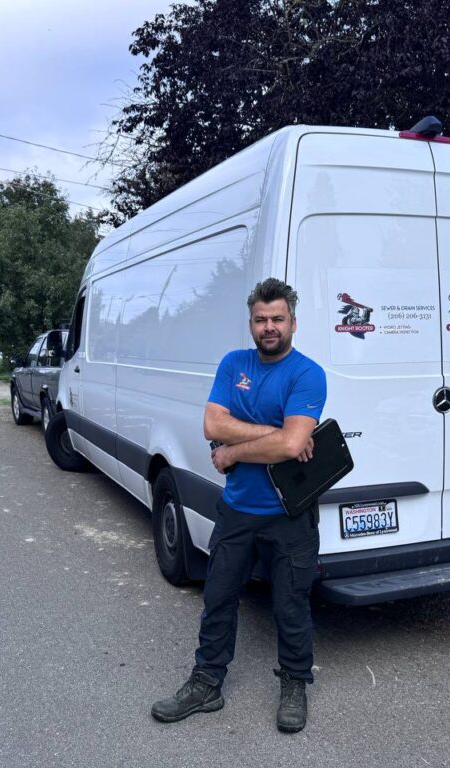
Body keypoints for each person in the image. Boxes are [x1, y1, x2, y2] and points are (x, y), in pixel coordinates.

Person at [151, 277, 326, 733]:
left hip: (290, 514)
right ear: (250, 322)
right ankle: (206, 683)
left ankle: (294, 683)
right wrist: (278, 436)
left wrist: (232, 448)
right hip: (237, 509)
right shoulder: (234, 364)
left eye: (278, 319)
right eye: (261, 319)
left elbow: (291, 446)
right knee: (219, 598)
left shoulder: (308, 374)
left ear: (293, 322)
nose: (269, 327)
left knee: (290, 604)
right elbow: (213, 421)